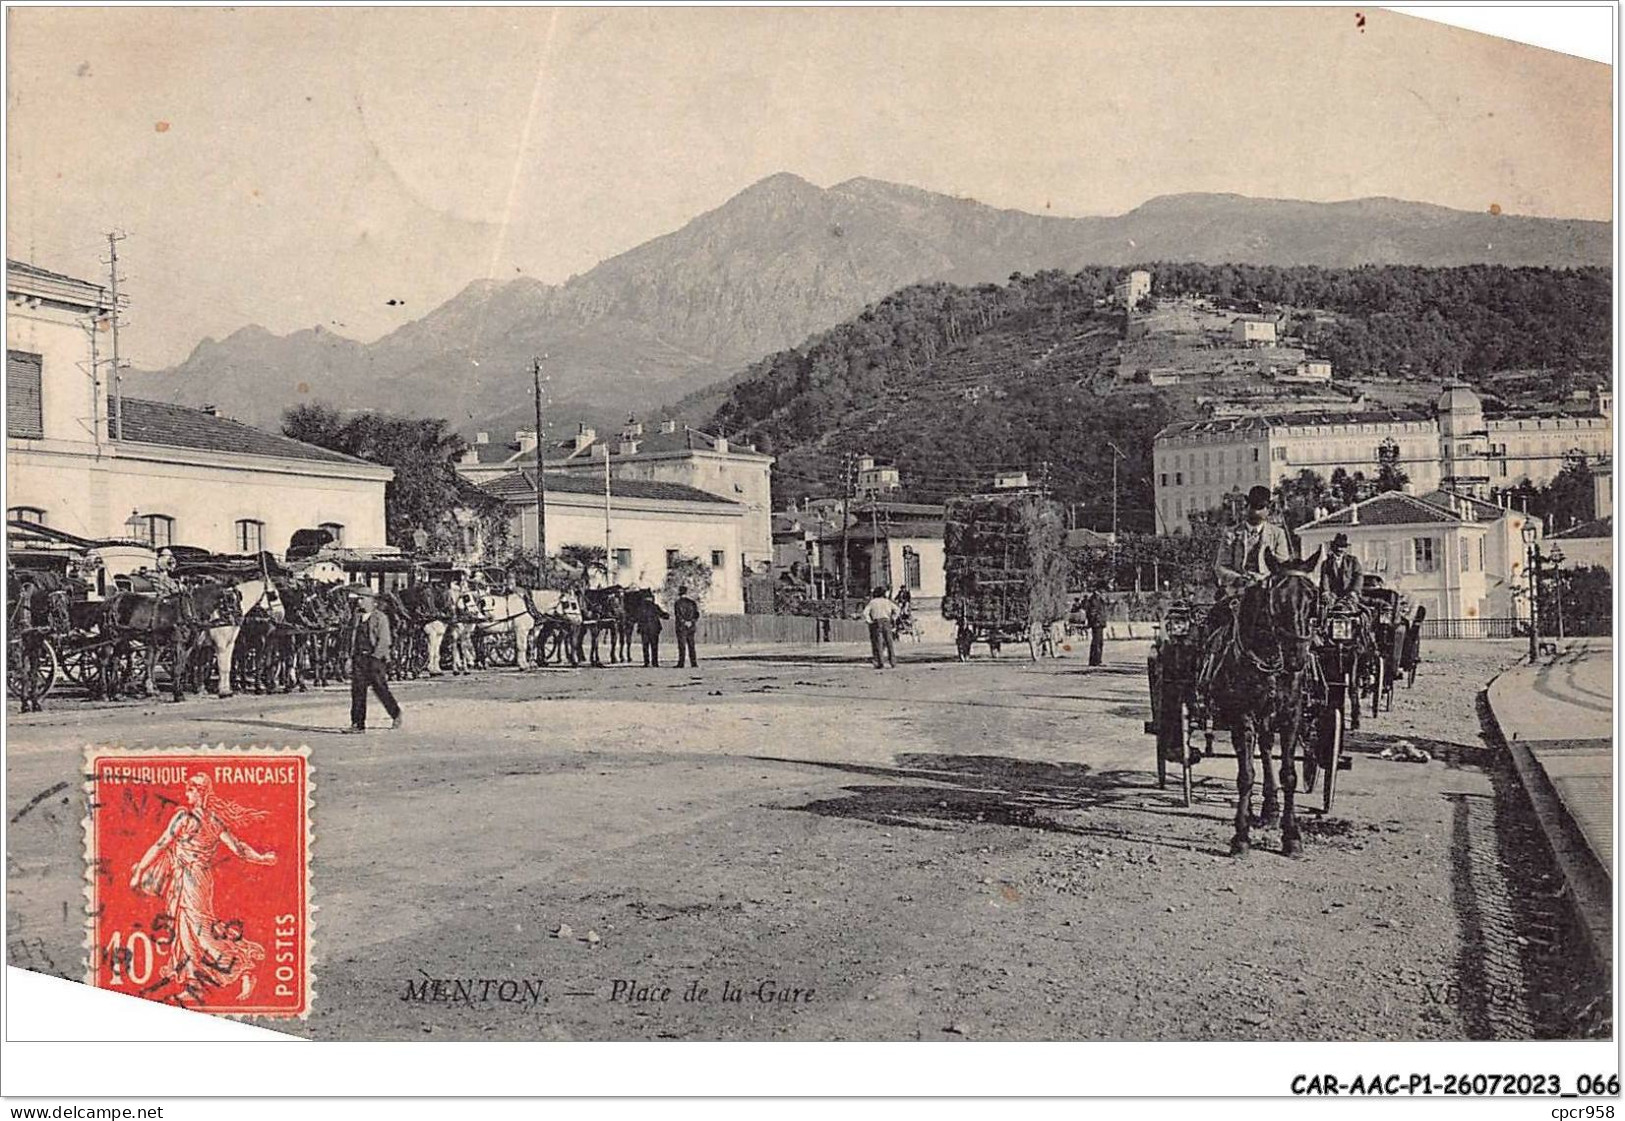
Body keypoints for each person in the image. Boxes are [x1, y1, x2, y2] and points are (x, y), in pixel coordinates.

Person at [128, 773, 277, 1002]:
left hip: (191, 879)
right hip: (196, 879)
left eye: (190, 790)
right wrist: (262, 858)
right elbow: (240, 849)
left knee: (202, 934)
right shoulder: (214, 821)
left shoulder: (184, 818)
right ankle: (193, 985)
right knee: (186, 933)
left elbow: (160, 845)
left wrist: (140, 871)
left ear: (200, 792)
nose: (187, 794)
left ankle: (244, 969)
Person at [345, 586, 402, 732]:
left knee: (380, 689)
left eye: (362, 599)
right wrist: (350, 658)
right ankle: (357, 724)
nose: (359, 602)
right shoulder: (356, 617)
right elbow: (352, 639)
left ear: (371, 601)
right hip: (359, 658)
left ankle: (395, 713)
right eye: (358, 599)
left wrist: (375, 658)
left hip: (375, 659)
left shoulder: (380, 618)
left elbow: (384, 641)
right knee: (357, 691)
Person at [1320, 532, 1364, 611]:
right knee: (1325, 606)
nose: (1339, 549)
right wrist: (1326, 592)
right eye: (1337, 546)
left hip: (1349, 593)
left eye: (1342, 547)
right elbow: (1324, 578)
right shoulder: (1326, 563)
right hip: (1333, 594)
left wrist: (1354, 591)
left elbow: (1359, 576)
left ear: (1345, 548)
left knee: (1350, 606)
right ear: (1333, 547)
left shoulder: (1352, 561)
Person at [862, 585, 898, 669]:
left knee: (878, 642)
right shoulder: (887, 601)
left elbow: (865, 612)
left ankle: (880, 662)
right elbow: (897, 609)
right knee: (889, 642)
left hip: (876, 622)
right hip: (886, 621)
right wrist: (893, 618)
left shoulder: (873, 602)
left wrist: (869, 620)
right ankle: (892, 662)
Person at [637, 592, 669, 667]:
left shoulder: (641, 607)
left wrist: (639, 628)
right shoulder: (655, 607)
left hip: (644, 629)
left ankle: (646, 662)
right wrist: (667, 615)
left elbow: (638, 618)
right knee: (654, 646)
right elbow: (663, 615)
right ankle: (655, 662)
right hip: (654, 629)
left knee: (645, 646)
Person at [673, 584, 701, 668]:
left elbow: (678, 615)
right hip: (691, 626)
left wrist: (684, 621)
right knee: (691, 645)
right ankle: (694, 662)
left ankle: (681, 663)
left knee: (682, 645)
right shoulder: (692, 602)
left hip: (681, 626)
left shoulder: (678, 603)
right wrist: (692, 621)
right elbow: (697, 614)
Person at [1084, 589, 1109, 666]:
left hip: (1098, 623)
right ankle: (1096, 661)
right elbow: (1093, 612)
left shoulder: (1097, 599)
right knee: (1097, 642)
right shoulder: (1095, 599)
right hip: (1097, 624)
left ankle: (1095, 660)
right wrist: (1097, 620)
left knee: (1097, 642)